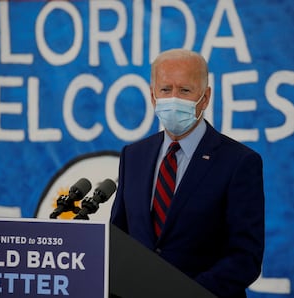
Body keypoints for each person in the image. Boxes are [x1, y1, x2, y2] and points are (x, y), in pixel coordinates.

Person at [110, 48, 265, 298]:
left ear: (204, 98)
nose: (174, 98)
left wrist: (185, 293)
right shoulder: (133, 155)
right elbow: (119, 239)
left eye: (184, 90)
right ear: (152, 96)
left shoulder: (239, 162)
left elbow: (245, 257)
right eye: (165, 89)